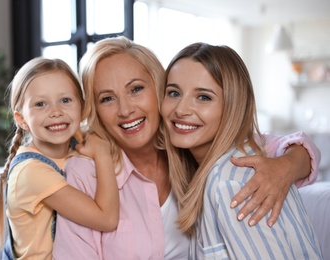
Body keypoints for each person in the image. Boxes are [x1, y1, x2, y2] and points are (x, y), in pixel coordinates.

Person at [53, 36, 320, 259]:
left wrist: (287, 165)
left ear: (158, 89)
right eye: (107, 98)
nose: (125, 110)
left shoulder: (193, 148)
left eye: (136, 89)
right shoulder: (85, 173)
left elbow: (291, 147)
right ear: (95, 109)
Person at [160, 42, 323, 259]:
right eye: (173, 93)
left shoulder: (232, 181)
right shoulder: (221, 163)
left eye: (204, 97)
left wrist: (289, 163)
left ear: (233, 106)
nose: (180, 109)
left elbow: (302, 146)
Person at [0, 57, 119, 259]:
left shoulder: (75, 141)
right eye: (40, 104)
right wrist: (102, 155)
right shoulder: (32, 172)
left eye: (66, 100)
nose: (56, 112)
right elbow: (107, 219)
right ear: (22, 119)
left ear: (82, 107)